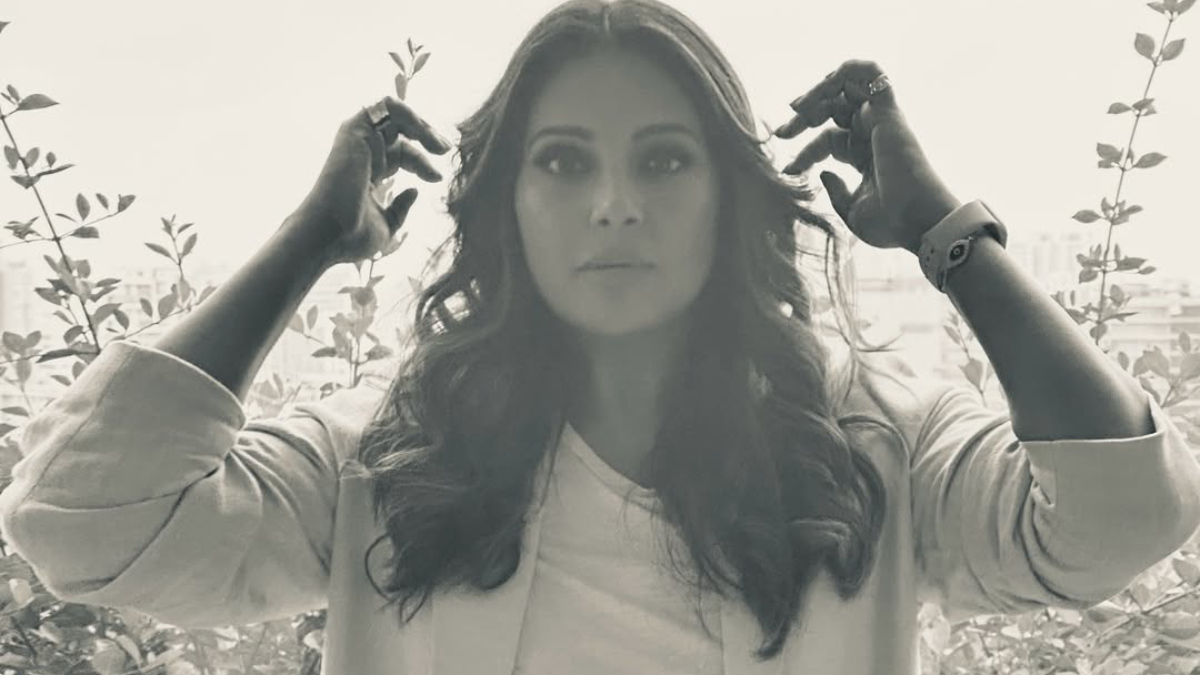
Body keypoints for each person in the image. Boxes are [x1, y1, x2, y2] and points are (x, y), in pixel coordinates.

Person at [2, 0, 1198, 673]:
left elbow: (1121, 520)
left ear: (729, 196)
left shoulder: (872, 446)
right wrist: (308, 243)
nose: (613, 205)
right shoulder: (389, 457)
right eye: (563, 164)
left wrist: (948, 235)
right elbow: (82, 527)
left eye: (664, 162)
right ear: (506, 205)